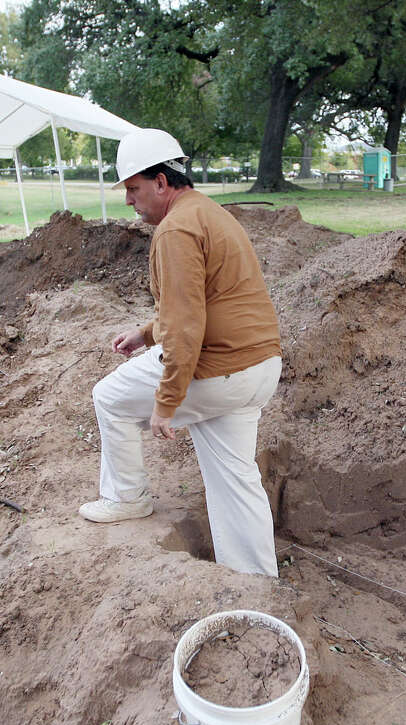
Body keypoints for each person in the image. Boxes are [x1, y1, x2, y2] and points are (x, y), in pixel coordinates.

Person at [78, 128, 283, 577]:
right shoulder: (208, 212)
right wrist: (147, 333)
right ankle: (256, 581)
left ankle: (126, 498)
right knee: (234, 477)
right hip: (260, 366)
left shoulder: (175, 230)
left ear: (161, 182)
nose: (129, 200)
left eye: (133, 188)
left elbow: (187, 328)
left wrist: (166, 403)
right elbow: (202, 302)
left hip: (219, 367)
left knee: (109, 398)